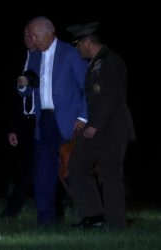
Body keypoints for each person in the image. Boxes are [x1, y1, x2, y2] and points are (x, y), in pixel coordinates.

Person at [18, 16, 88, 225]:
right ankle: (46, 219)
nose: (31, 39)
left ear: (50, 32)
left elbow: (89, 87)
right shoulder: (34, 56)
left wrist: (83, 116)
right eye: (29, 35)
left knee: (73, 171)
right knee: (43, 172)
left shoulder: (70, 53)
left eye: (35, 35)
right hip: (45, 121)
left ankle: (89, 216)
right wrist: (23, 86)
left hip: (69, 122)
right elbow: (28, 89)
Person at [66, 22, 136, 229]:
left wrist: (95, 125)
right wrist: (85, 121)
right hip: (93, 130)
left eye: (78, 44)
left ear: (87, 42)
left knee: (111, 176)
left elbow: (111, 95)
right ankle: (93, 217)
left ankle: (116, 224)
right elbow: (94, 99)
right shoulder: (96, 63)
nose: (77, 48)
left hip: (112, 130)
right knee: (77, 168)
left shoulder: (111, 61)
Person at [0, 28, 38, 219]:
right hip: (23, 122)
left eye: (32, 34)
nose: (28, 38)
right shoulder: (18, 61)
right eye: (25, 35)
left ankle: (11, 211)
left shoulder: (46, 60)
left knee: (32, 167)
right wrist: (12, 128)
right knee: (29, 166)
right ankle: (55, 211)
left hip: (42, 120)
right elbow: (11, 98)